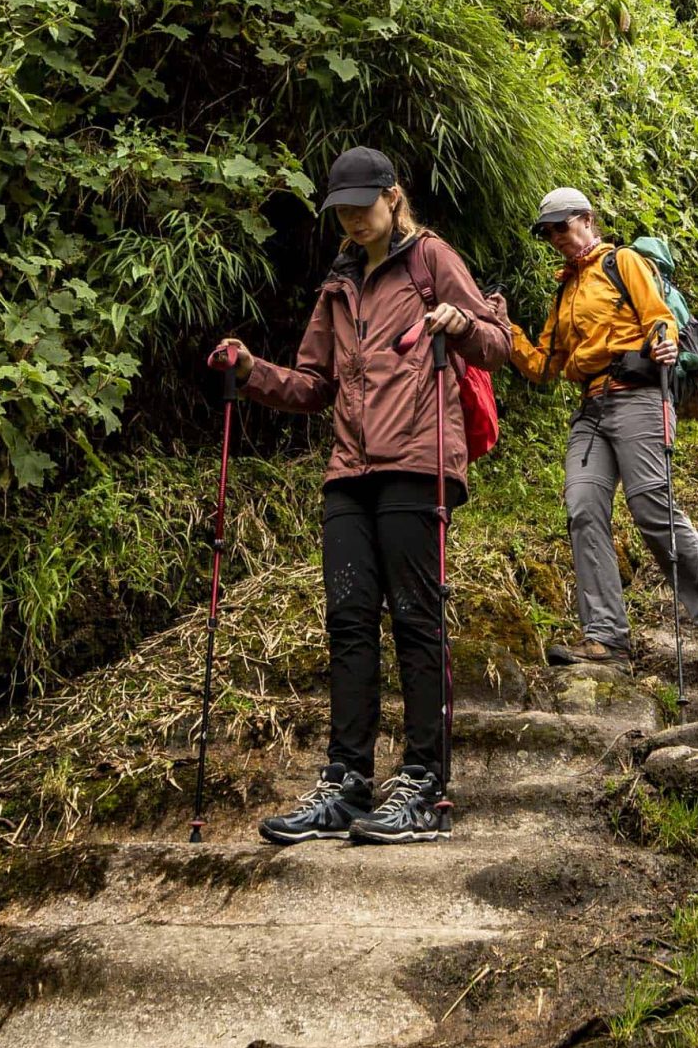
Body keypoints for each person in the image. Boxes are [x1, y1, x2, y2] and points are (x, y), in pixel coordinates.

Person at [207, 147, 513, 847]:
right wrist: (251, 370)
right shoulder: (338, 285)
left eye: (360, 206)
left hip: (417, 461)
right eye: (340, 210)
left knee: (415, 619)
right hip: (348, 471)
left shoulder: (431, 259)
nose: (351, 219)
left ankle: (424, 784)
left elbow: (498, 342)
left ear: (393, 196)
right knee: (348, 622)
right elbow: (314, 385)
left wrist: (459, 324)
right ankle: (346, 782)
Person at [506, 188, 698, 687]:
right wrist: (505, 330)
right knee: (582, 508)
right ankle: (606, 638)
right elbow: (542, 367)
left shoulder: (624, 262)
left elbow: (659, 318)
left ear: (587, 220)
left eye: (562, 226)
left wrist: (663, 342)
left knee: (653, 510)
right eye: (549, 231)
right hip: (592, 410)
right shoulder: (564, 291)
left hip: (638, 397)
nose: (556, 237)